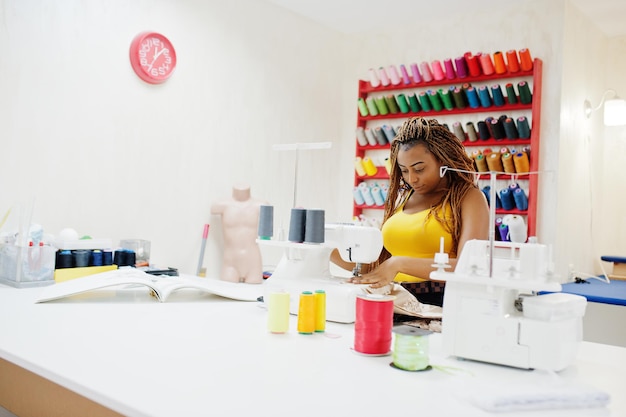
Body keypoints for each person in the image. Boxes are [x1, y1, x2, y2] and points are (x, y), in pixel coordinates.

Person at [332, 117, 489, 306]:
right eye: (404, 170)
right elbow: (380, 267)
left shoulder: (469, 197)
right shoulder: (404, 198)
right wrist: (328, 252)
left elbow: (470, 268)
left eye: (419, 169)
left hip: (438, 304)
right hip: (395, 300)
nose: (411, 179)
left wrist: (399, 263)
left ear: (442, 161)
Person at [211, 184, 267, 284]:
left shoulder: (261, 205)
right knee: (227, 295)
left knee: (252, 296)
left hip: (253, 262)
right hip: (230, 262)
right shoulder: (221, 205)